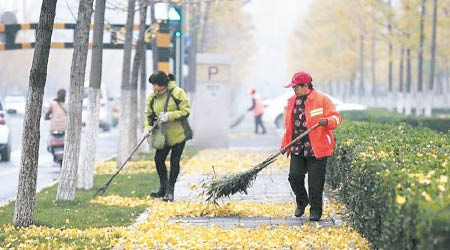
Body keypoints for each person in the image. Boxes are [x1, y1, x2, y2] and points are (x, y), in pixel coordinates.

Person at [281, 72, 342, 221]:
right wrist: (285, 145)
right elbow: (288, 126)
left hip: (317, 147)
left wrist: (327, 121)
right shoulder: (291, 101)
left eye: (296, 87)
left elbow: (337, 118)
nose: (293, 89)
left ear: (305, 86)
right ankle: (302, 201)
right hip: (297, 146)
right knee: (294, 176)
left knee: (315, 181)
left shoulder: (322, 100)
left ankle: (316, 210)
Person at [144, 71, 192, 202]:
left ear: (162, 84)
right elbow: (148, 114)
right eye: (152, 84)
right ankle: (163, 188)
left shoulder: (177, 92)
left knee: (174, 161)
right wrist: (147, 128)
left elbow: (186, 111)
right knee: (159, 159)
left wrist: (169, 116)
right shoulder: (153, 96)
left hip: (179, 134)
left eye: (155, 84)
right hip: (163, 136)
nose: (153, 87)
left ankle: (170, 191)